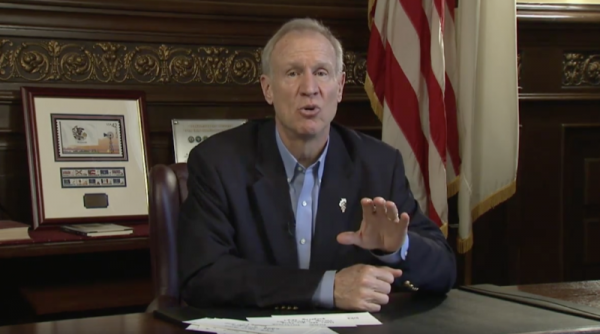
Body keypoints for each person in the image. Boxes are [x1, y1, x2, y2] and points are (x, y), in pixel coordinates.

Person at [177, 18, 456, 312]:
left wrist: (396, 248)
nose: (309, 88)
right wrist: (327, 287)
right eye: (293, 73)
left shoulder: (378, 164)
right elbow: (203, 275)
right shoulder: (218, 162)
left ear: (340, 87)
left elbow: (445, 270)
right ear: (268, 89)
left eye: (321, 73)